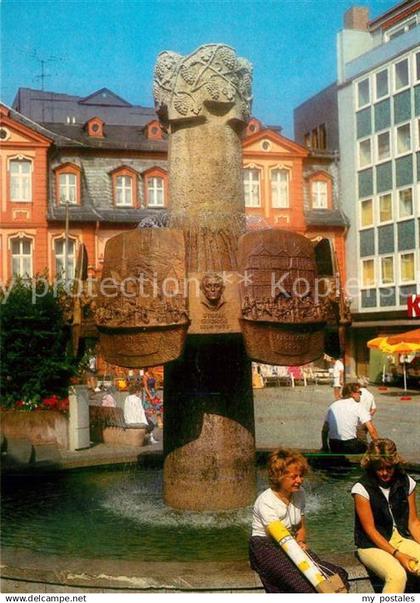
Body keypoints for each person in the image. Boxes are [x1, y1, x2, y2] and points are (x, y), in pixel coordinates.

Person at [249, 447, 349, 593]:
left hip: (290, 542)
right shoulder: (266, 500)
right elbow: (277, 534)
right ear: (279, 476)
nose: (299, 480)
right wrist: (297, 550)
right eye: (294, 477)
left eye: (301, 476)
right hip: (266, 546)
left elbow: (301, 525)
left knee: (336, 575)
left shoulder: (299, 494)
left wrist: (301, 542)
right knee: (302, 585)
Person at [352, 439, 420, 593]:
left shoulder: (407, 482)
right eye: (379, 468)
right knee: (397, 575)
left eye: (388, 468)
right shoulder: (361, 489)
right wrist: (398, 555)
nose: (384, 473)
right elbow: (370, 531)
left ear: (395, 463)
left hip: (399, 538)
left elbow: (414, 523)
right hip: (371, 545)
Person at [322, 383, 379, 454]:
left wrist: (325, 446)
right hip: (350, 446)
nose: (360, 395)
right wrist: (379, 448)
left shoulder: (333, 405)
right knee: (365, 445)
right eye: (359, 392)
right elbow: (372, 431)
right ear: (353, 394)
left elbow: (324, 430)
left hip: (334, 445)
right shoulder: (358, 406)